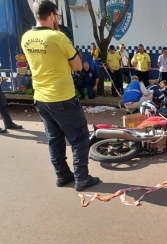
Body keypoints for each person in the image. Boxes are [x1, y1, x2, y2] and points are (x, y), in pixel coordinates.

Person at [21, 0, 99, 191]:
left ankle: (62, 175)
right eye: (57, 15)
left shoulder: (26, 37)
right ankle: (82, 179)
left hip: (41, 98)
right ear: (52, 15)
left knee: (54, 138)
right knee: (80, 138)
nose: (58, 19)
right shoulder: (58, 37)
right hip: (62, 97)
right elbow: (78, 66)